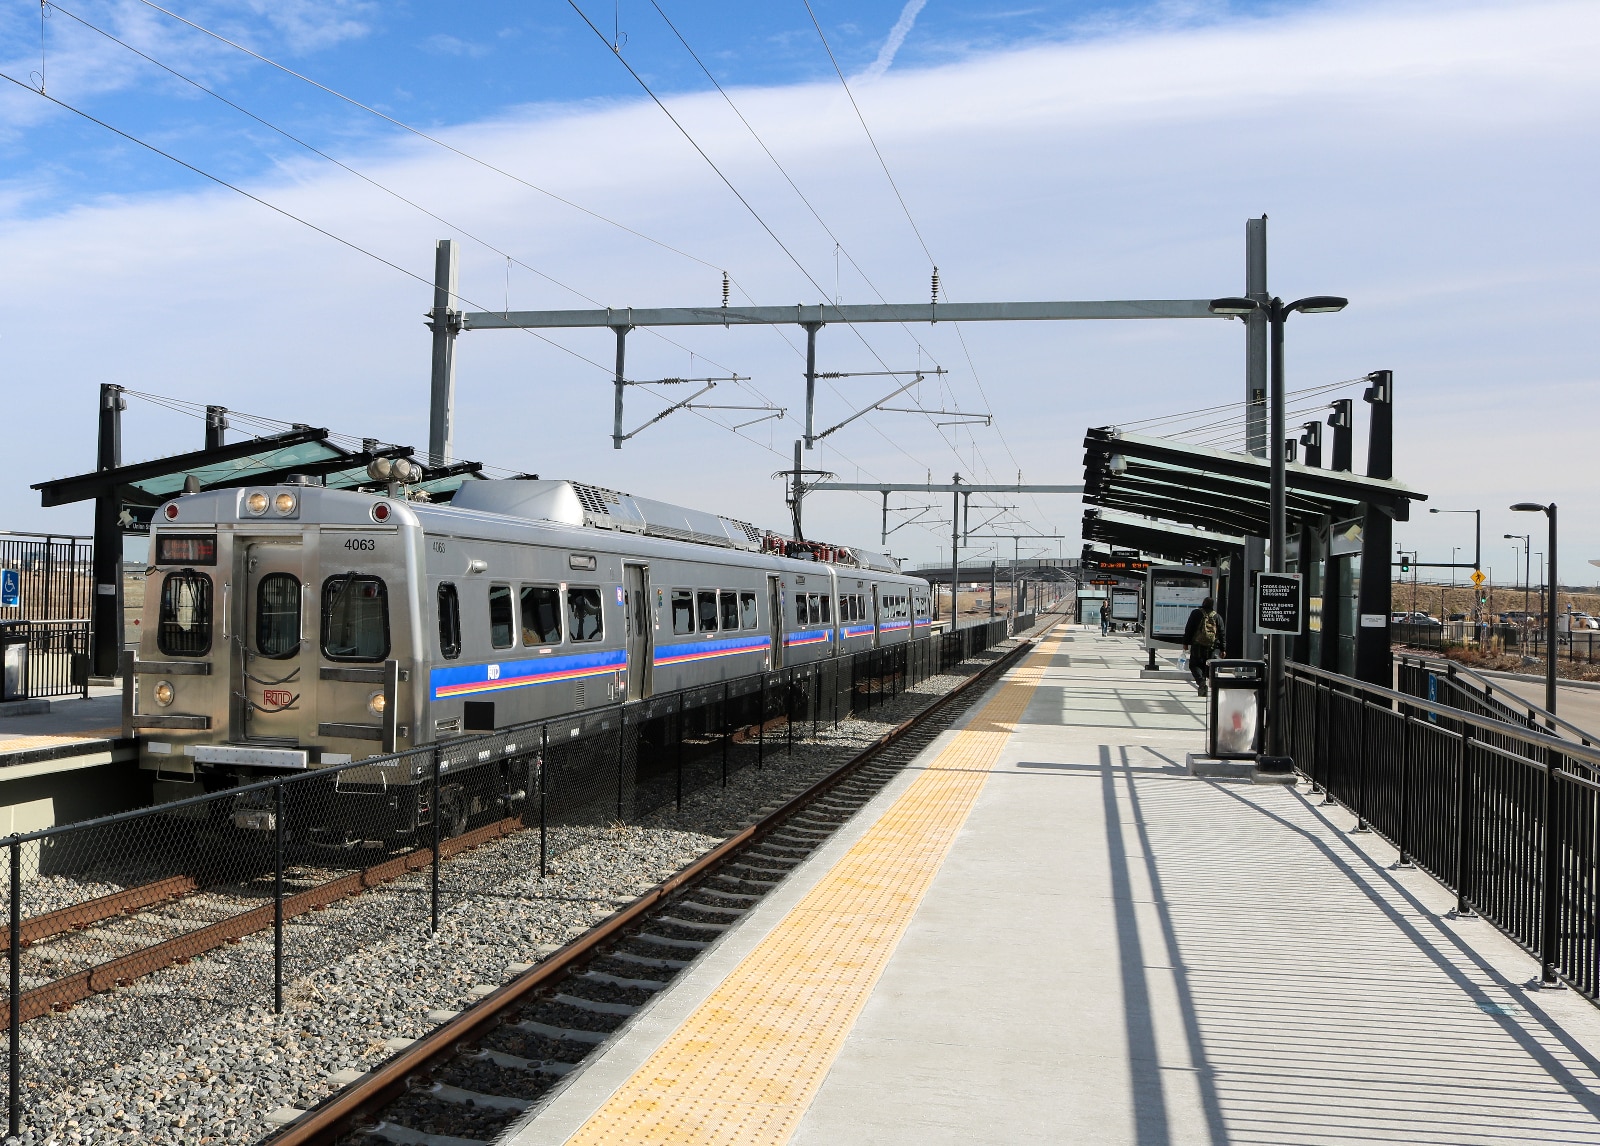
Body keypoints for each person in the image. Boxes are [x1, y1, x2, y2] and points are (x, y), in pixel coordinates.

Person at [1182, 596, 1224, 696]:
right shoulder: (1217, 617)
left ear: (1203, 603)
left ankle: (1201, 682)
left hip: (1197, 645)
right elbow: (1222, 633)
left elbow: (1189, 629)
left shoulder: (1196, 613)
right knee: (1207, 666)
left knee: (1194, 665)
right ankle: (1204, 682)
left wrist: (1185, 643)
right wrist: (1223, 648)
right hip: (1211, 646)